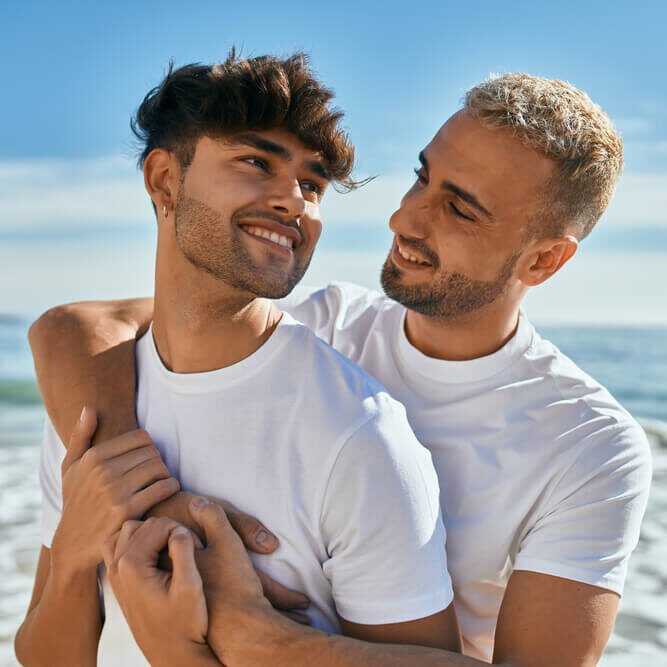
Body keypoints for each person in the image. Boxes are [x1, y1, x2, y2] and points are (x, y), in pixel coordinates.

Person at [26, 73, 651, 666]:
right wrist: (138, 497)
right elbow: (77, 328)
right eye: (422, 179)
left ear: (543, 261)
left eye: (459, 209)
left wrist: (258, 644)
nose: (405, 219)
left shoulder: (589, 444)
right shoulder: (323, 323)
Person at [15, 52, 461, 667]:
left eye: (312, 185)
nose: (295, 203)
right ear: (165, 181)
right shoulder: (97, 399)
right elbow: (46, 656)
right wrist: (74, 554)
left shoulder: (356, 436)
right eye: (256, 163)